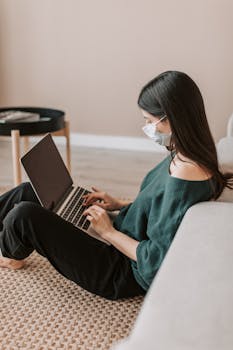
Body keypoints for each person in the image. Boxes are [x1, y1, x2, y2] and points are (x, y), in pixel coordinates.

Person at [0, 71, 232, 300]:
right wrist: (119, 204)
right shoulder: (187, 153)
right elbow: (165, 212)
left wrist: (107, 232)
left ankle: (10, 255)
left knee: (24, 215)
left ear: (172, 117)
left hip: (120, 270)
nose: (148, 128)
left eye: (150, 121)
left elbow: (155, 262)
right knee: (29, 191)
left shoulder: (186, 174)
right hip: (121, 233)